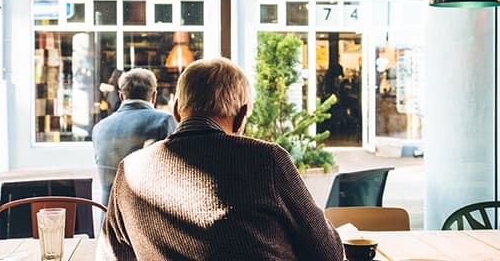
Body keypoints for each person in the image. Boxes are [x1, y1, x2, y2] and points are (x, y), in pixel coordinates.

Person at [96, 57, 344, 261]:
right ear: (241, 116)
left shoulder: (129, 171)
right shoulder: (267, 160)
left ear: (176, 110)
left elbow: (112, 256)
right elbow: (328, 253)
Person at [92, 68, 177, 206]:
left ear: (121, 96)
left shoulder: (99, 128)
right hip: (146, 217)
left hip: (108, 217)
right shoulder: (164, 121)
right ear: (154, 96)